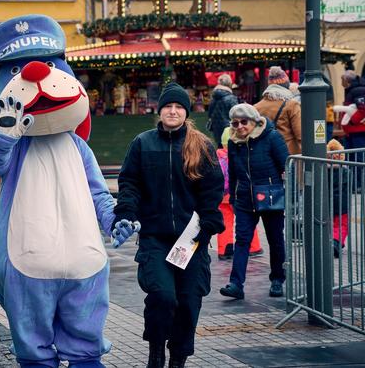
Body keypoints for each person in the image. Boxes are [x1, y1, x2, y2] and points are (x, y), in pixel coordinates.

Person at [115, 82, 225, 368]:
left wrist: (209, 219)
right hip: (155, 237)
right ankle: (155, 350)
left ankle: (178, 358)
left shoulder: (201, 144)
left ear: (186, 112)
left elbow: (213, 188)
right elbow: (129, 182)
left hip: (192, 239)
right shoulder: (143, 142)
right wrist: (126, 210)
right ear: (159, 110)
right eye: (168, 107)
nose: (173, 111)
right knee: (163, 296)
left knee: (189, 302)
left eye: (178, 107)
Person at [219, 103, 289, 300]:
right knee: (241, 240)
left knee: (275, 239)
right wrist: (232, 196)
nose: (239, 126)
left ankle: (277, 279)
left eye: (244, 122)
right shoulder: (234, 142)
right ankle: (236, 284)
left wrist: (288, 194)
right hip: (244, 198)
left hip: (270, 197)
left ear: (254, 120)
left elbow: (287, 165)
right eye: (235, 123)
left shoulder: (271, 137)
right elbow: (233, 172)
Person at [216, 127, 263, 261]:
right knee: (247, 220)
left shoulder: (217, 156)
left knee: (225, 222)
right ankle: (253, 247)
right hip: (238, 194)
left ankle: (225, 250)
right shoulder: (238, 155)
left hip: (222, 196)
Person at [339, 71, 365, 192]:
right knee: (353, 158)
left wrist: (352, 121)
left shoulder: (358, 91)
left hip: (357, 130)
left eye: (342, 80)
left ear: (347, 81)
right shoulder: (357, 90)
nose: (341, 83)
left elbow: (363, 110)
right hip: (353, 130)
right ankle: (356, 184)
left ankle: (361, 185)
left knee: (358, 158)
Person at [254, 66, 302, 155]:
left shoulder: (256, 107)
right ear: (286, 87)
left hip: (266, 155)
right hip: (288, 156)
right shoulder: (291, 105)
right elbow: (300, 135)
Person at [327, 139, 350, 258]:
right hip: (342, 203)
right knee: (342, 224)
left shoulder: (323, 170)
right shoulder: (345, 171)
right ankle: (336, 242)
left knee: (331, 223)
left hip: (328, 202)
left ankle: (331, 241)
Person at [207, 73, 238, 147]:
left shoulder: (213, 97)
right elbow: (236, 114)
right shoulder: (231, 98)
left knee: (221, 149)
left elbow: (209, 114)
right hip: (230, 128)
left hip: (216, 128)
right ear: (229, 83)